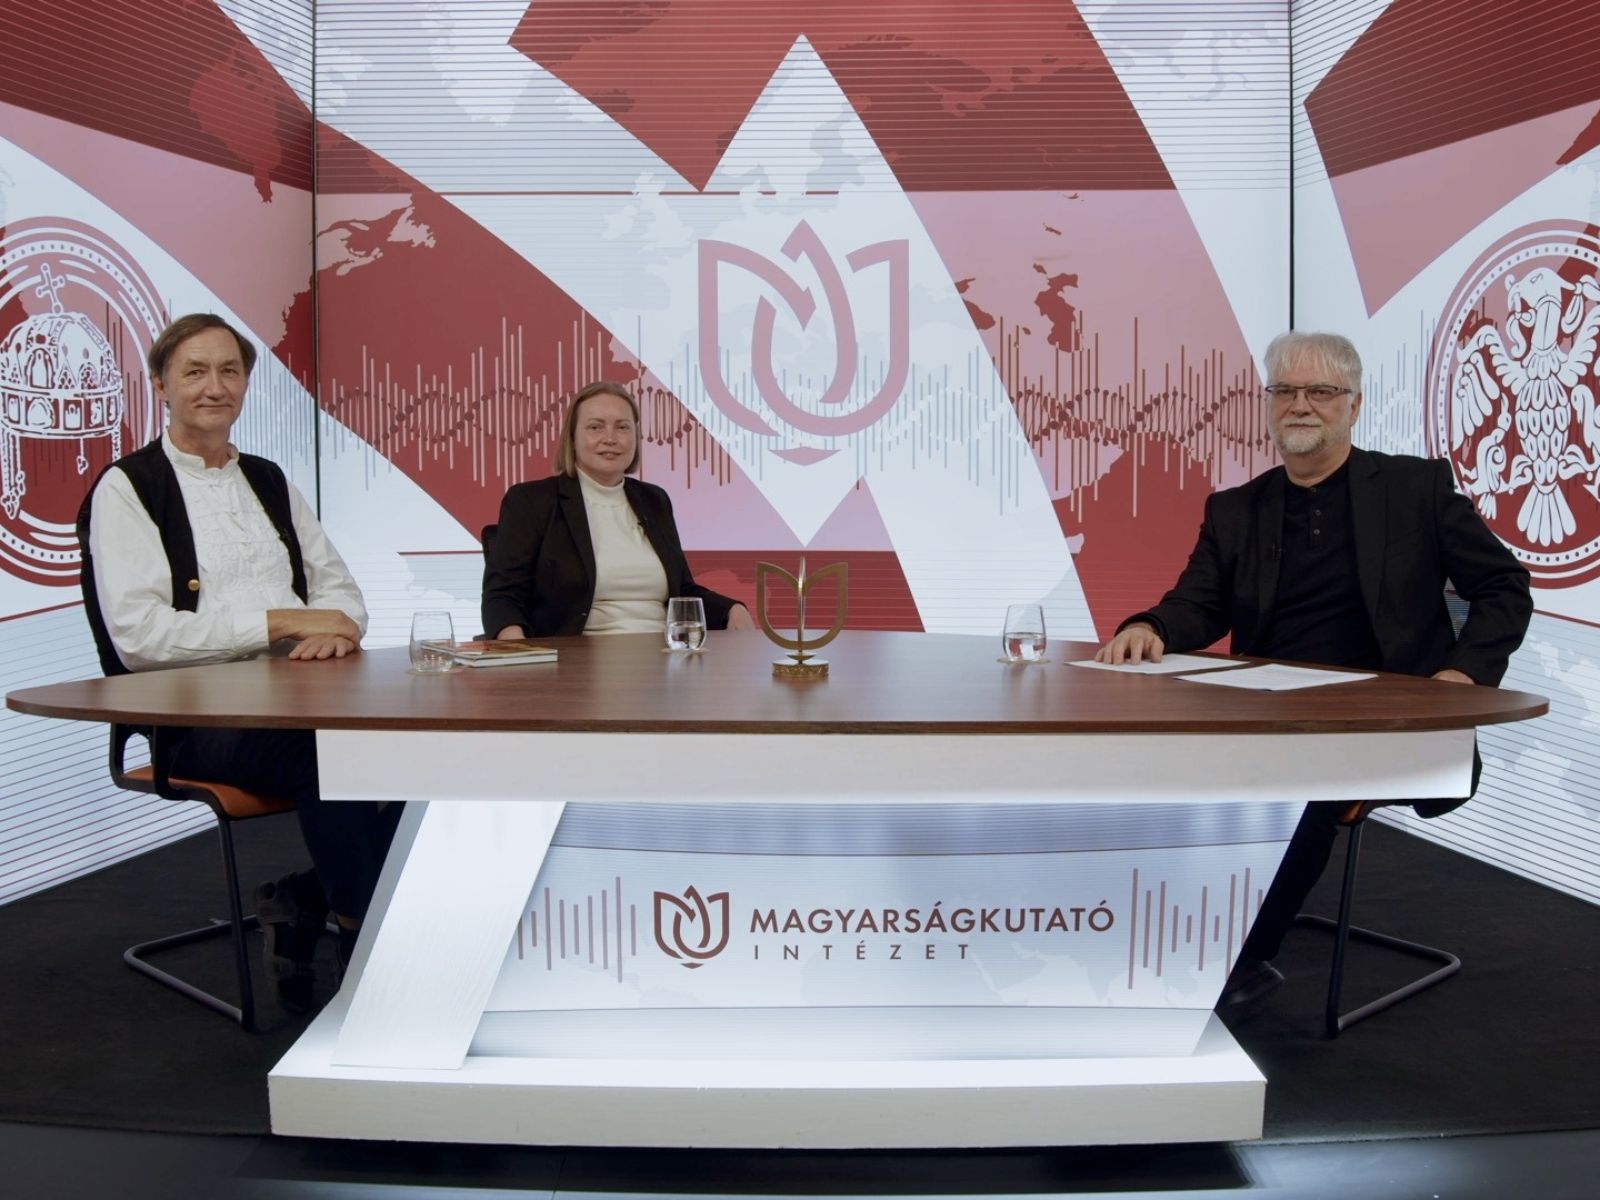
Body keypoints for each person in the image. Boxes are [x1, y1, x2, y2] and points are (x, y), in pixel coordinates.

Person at [1094, 330, 1532, 1008]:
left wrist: (1460, 679)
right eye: (1285, 391)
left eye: (1321, 391)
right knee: (1159, 775)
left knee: (1300, 793)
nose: (1300, 404)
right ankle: (1161, 935)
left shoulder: (1415, 489)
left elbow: (1504, 587)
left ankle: (1238, 962)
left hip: (1389, 718)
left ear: (1353, 405)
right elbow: (1198, 604)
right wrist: (1149, 626)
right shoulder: (1236, 508)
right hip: (1267, 713)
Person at [77, 313, 397, 1012]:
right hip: (193, 718)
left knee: (424, 745)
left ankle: (303, 897)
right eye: (194, 371)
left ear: (246, 384)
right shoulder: (129, 488)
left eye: (229, 371)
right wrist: (282, 621)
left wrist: (340, 629)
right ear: (161, 385)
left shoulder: (269, 479)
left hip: (304, 699)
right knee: (332, 755)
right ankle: (365, 943)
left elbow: (340, 591)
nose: (214, 386)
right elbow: (140, 637)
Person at [481, 381, 753, 638]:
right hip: (576, 659)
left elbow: (681, 589)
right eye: (595, 427)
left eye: (622, 427)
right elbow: (503, 596)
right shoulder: (532, 501)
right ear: (572, 438)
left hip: (664, 654)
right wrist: (516, 650)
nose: (610, 438)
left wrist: (732, 609)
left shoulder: (654, 500)